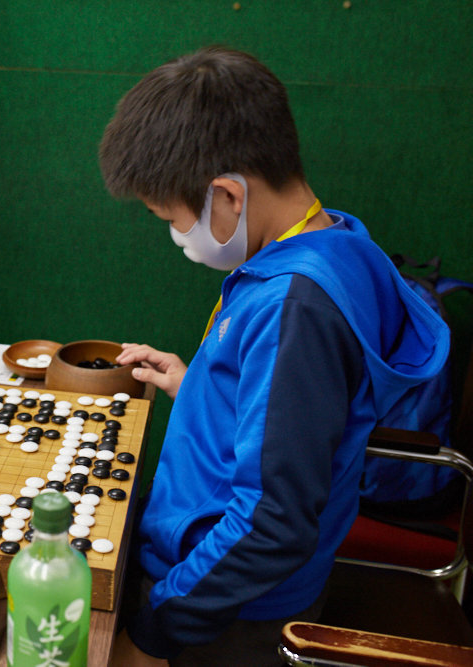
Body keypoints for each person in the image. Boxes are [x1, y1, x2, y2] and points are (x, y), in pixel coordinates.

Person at [99, 47, 450, 666]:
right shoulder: (334, 239)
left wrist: (154, 634)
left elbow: (271, 526)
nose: (178, 237)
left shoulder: (296, 307)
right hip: (219, 581)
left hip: (223, 613)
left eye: (174, 220)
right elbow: (301, 413)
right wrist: (202, 384)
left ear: (228, 195)